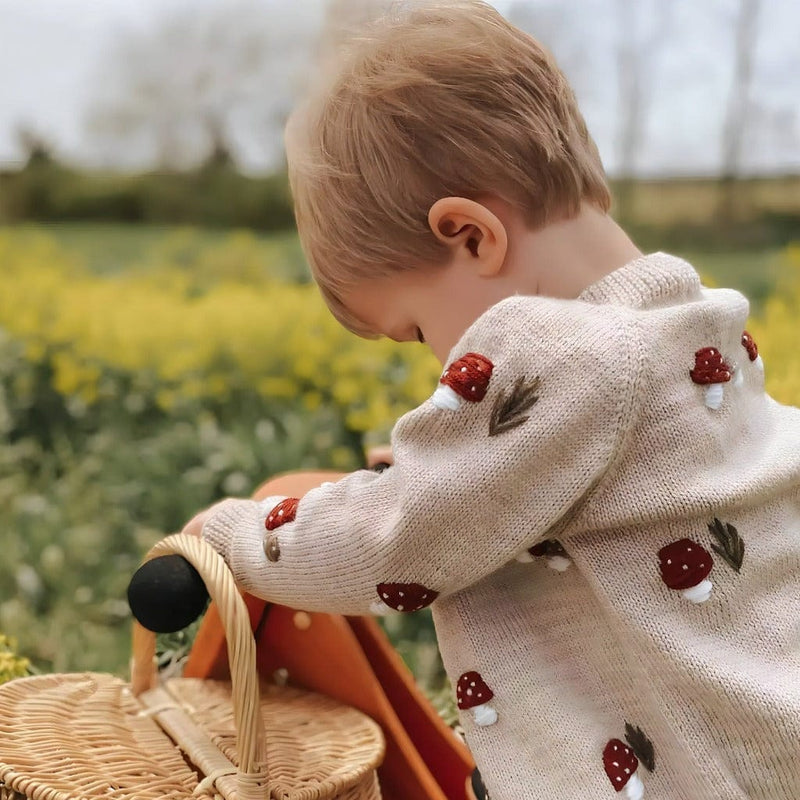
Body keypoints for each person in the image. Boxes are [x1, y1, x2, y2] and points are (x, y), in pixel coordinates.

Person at [182, 2, 800, 797]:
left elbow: (400, 544)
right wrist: (462, 461)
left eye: (414, 330)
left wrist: (230, 539)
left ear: (471, 235)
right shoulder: (699, 331)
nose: (440, 361)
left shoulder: (562, 354)